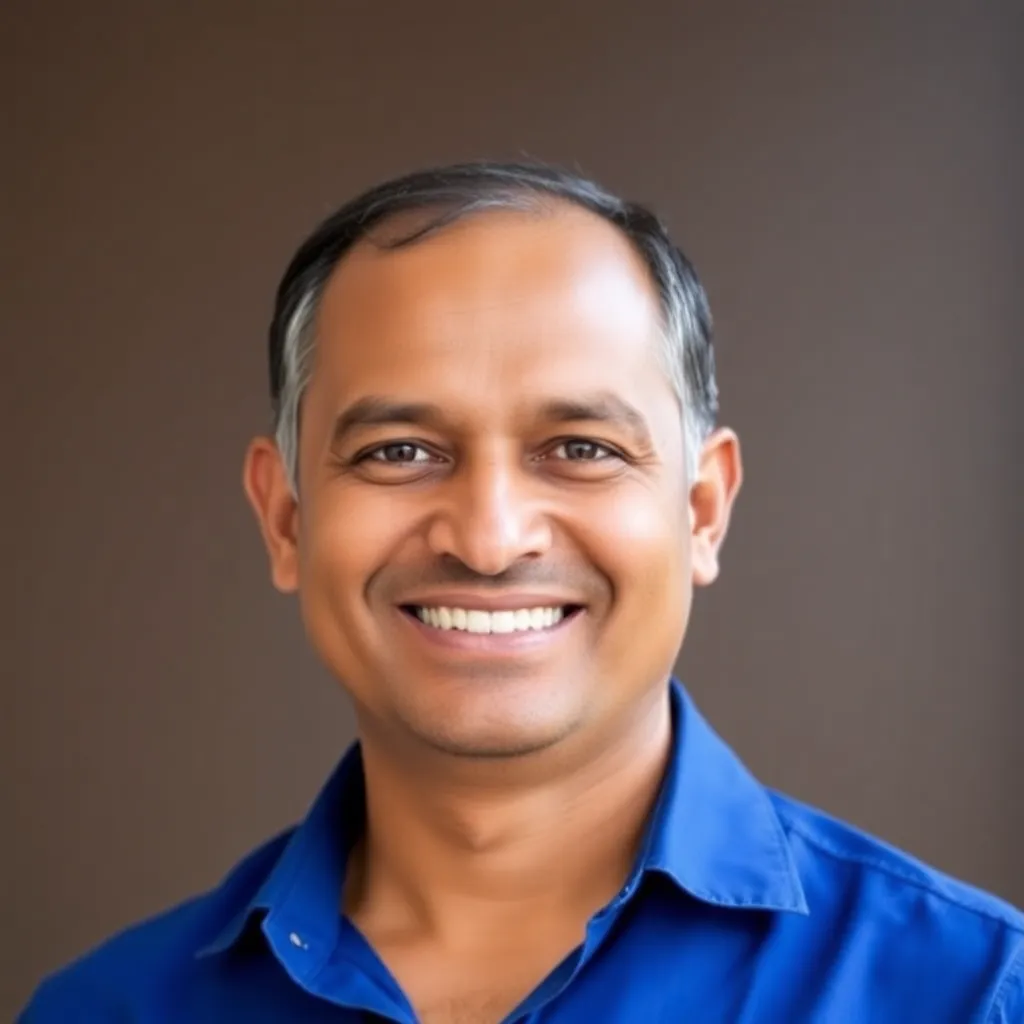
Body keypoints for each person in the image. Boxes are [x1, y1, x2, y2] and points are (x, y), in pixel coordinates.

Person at [20, 161, 1024, 1023]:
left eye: (580, 449)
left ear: (702, 510)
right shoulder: (104, 1010)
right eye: (399, 451)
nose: (490, 540)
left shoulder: (969, 991)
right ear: (285, 517)